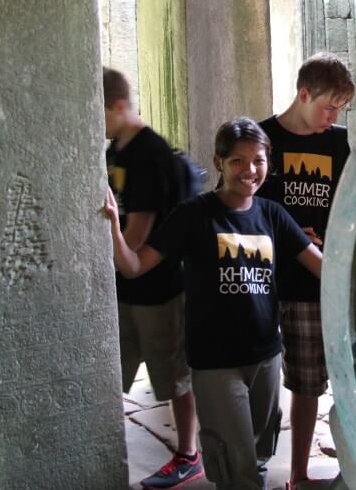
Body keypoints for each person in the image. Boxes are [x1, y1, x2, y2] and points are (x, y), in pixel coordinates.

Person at [106, 117, 321, 490]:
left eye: (258, 160)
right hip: (215, 363)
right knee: (235, 464)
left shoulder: (272, 214)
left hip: (266, 356)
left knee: (258, 454)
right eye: (238, 160)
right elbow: (135, 266)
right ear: (219, 162)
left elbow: (321, 266)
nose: (250, 170)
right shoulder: (195, 215)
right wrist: (112, 226)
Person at [258, 52, 356, 488]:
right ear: (303, 94)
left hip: (315, 284)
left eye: (340, 109)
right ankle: (261, 466)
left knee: (309, 382)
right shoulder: (261, 139)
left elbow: (348, 206)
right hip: (267, 279)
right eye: (328, 107)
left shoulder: (337, 143)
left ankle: (300, 476)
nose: (333, 117)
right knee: (261, 379)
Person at [102, 68, 203, 488]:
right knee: (119, 369)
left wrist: (113, 264)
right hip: (124, 283)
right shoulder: (116, 149)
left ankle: (189, 453)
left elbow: (139, 231)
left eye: (100, 111)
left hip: (158, 286)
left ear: (120, 106)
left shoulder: (149, 153)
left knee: (174, 375)